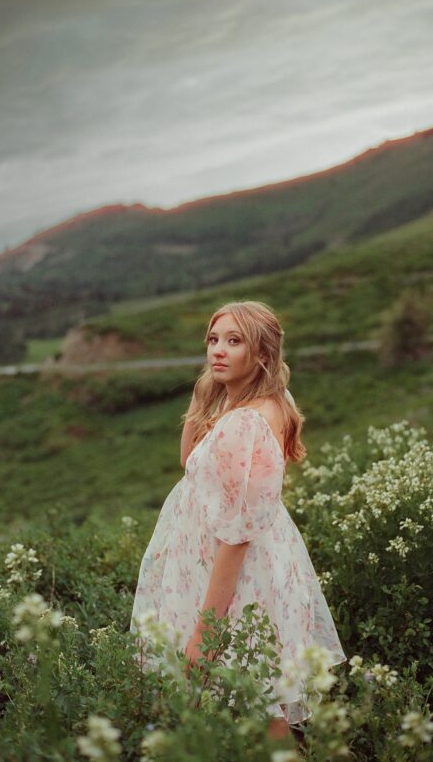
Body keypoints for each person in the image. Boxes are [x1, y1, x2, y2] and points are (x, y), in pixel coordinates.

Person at [130, 300, 345, 742]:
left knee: (256, 705)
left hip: (238, 576)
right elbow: (191, 463)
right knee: (259, 700)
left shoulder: (246, 423)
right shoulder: (271, 401)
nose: (217, 351)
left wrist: (204, 634)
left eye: (234, 341)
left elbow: (236, 538)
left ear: (263, 354)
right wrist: (203, 395)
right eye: (213, 340)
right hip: (257, 564)